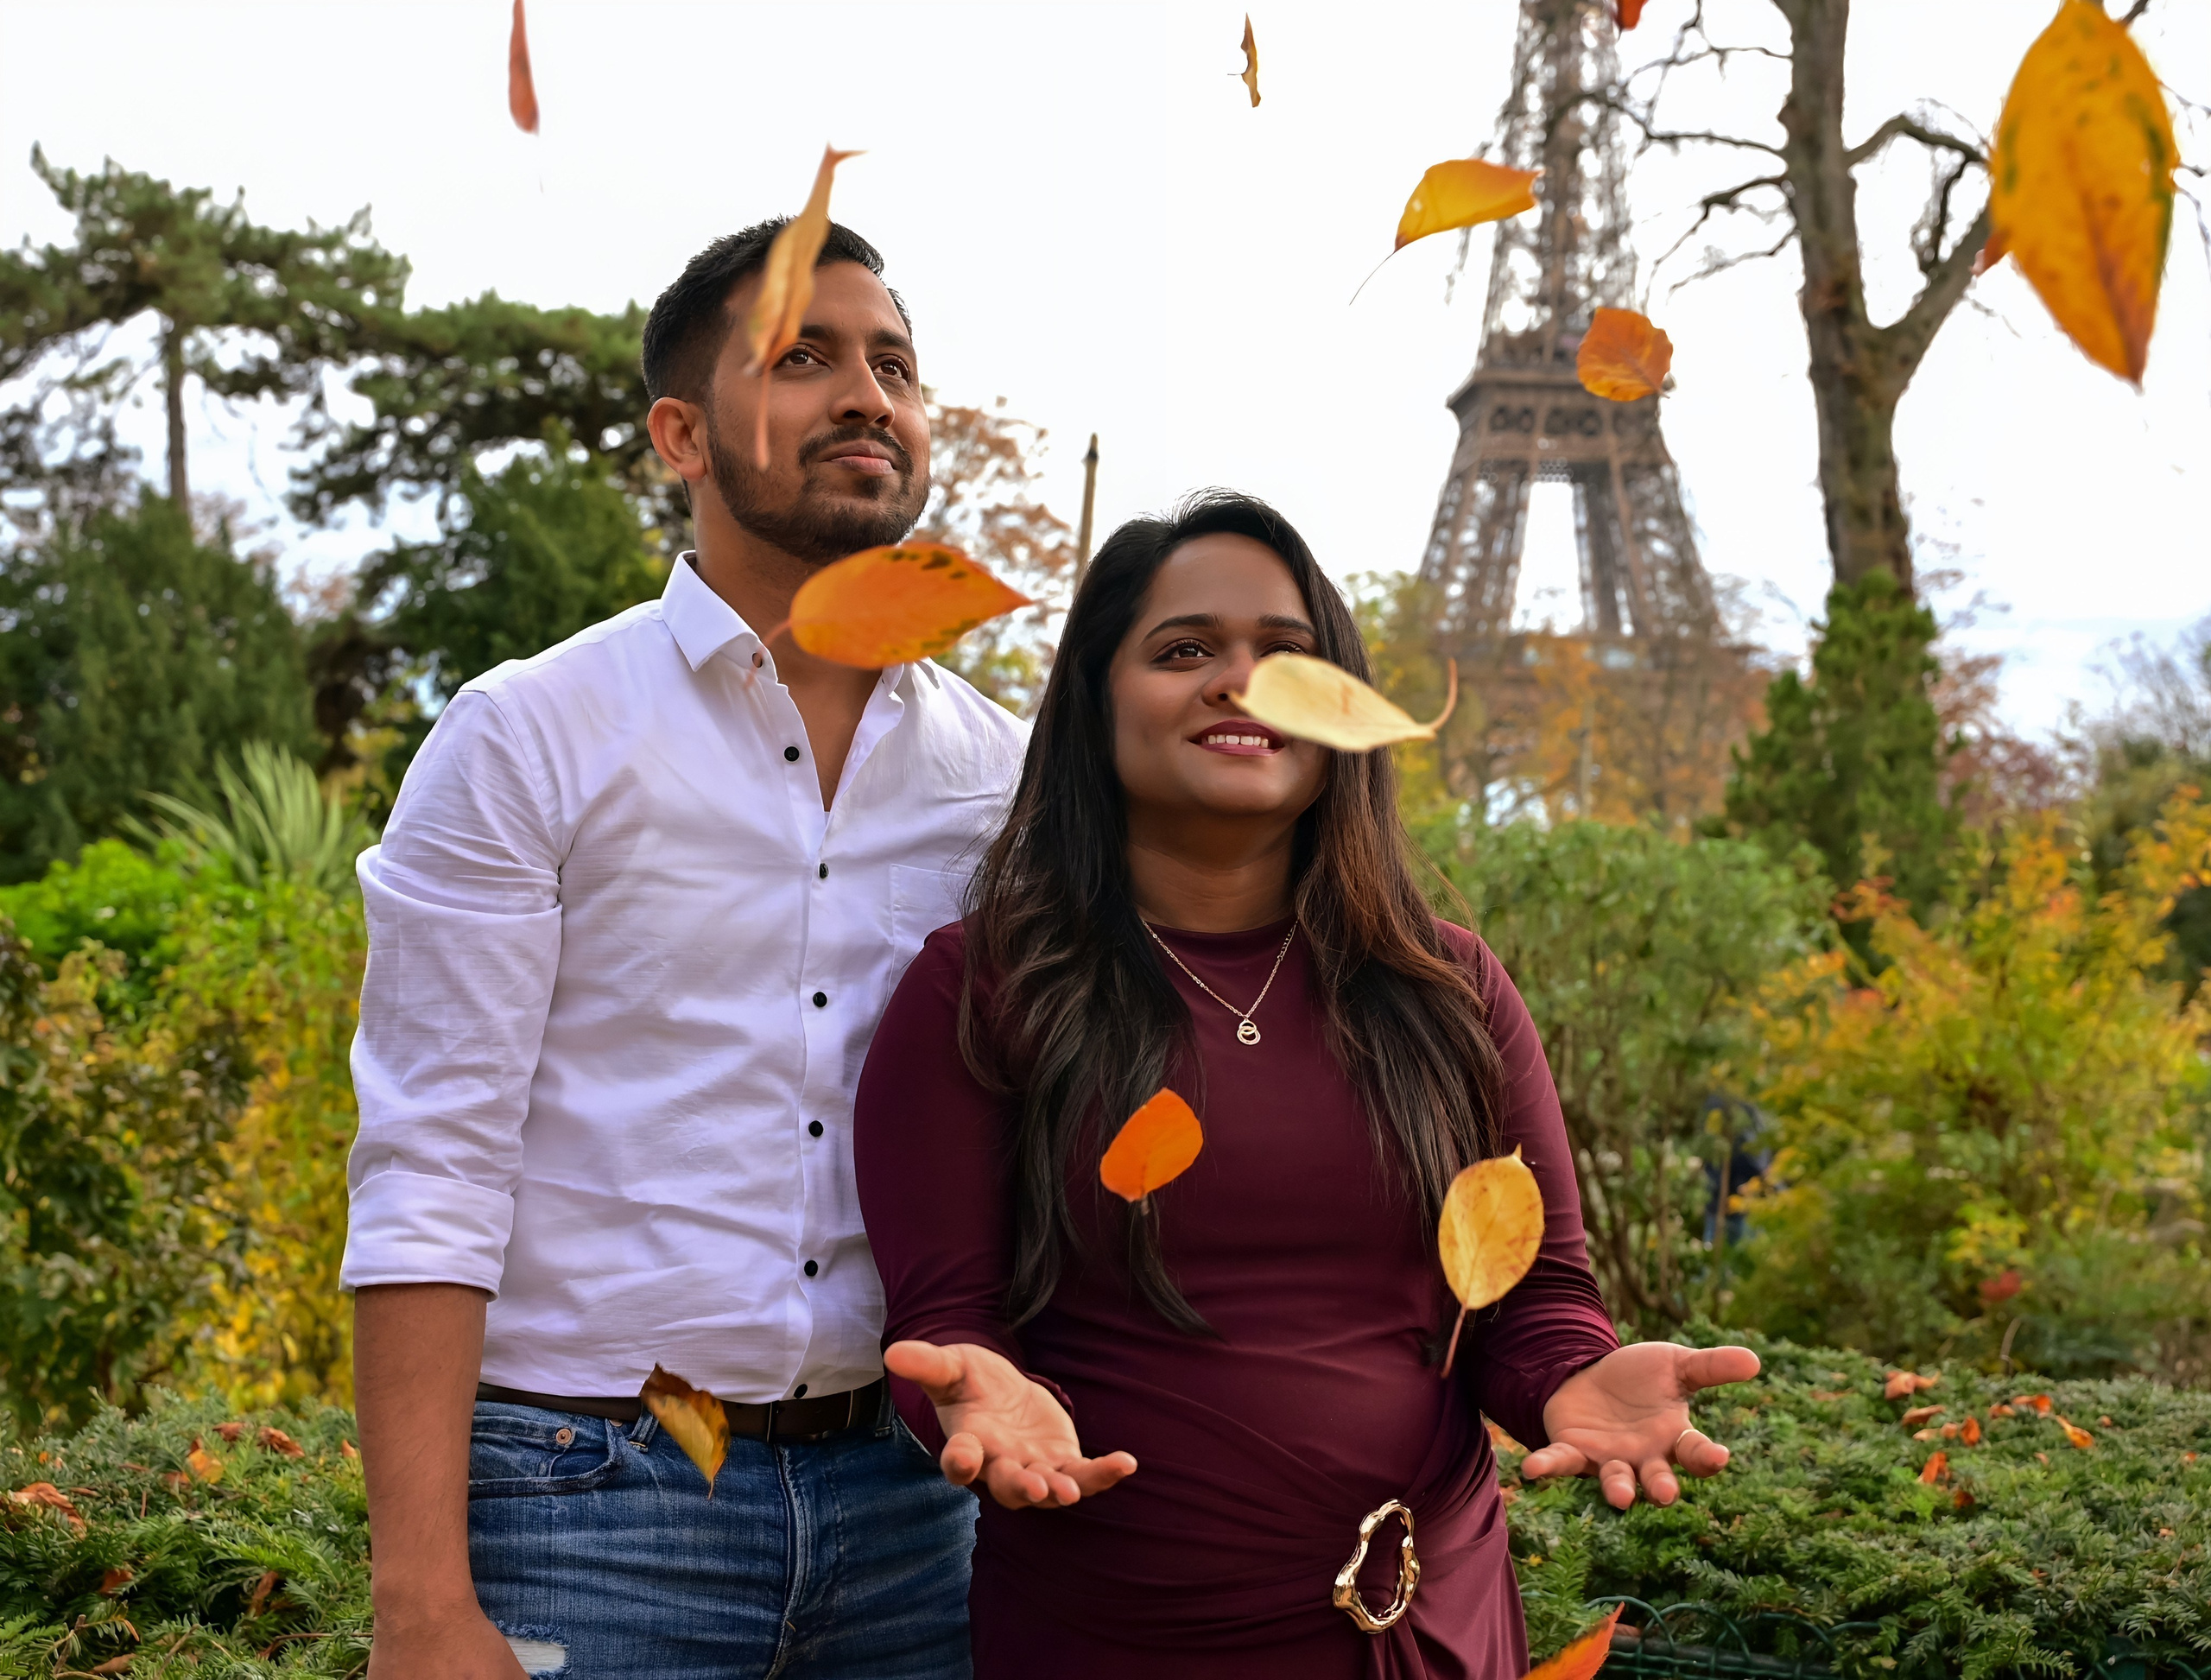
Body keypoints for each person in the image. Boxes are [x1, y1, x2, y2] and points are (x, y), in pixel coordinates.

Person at [852, 491, 1761, 1679]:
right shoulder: (983, 990)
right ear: (1095, 703)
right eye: (1186, 650)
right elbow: (950, 1324)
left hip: (1435, 1630)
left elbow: (1531, 1294)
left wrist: (1574, 1380)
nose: (1246, 684)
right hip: (1126, 1636)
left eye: (1290, 656)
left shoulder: (1448, 988)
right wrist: (973, 1405)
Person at [343, 219, 1023, 1680]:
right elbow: (430, 1161)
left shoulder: (1004, 776)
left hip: (918, 1506)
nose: (868, 395)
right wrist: (420, 1607)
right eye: (804, 358)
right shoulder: (530, 736)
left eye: (893, 363)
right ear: (682, 434)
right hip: (591, 1494)